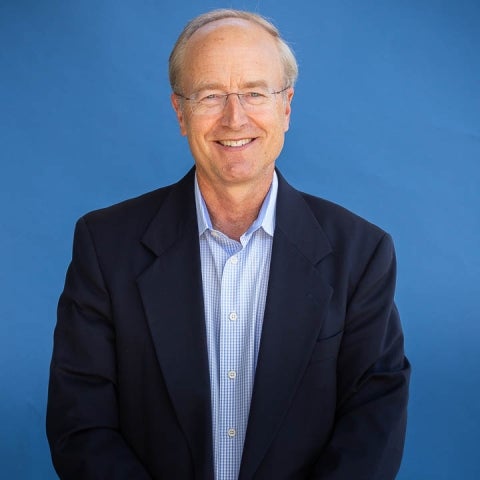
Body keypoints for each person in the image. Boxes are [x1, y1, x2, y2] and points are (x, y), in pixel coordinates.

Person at [46, 8, 410, 480]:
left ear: (286, 107)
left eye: (255, 93)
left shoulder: (362, 254)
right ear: (180, 112)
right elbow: (81, 423)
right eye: (211, 95)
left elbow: (372, 426)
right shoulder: (105, 246)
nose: (234, 118)